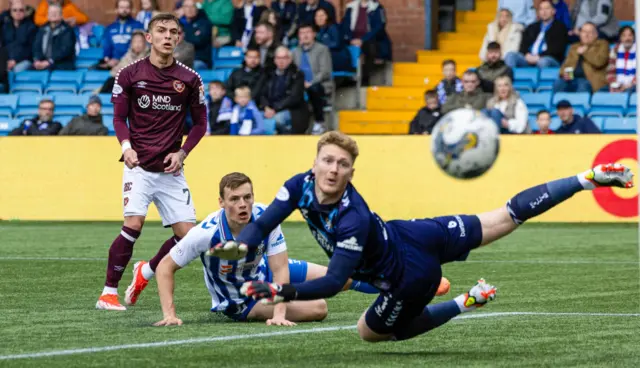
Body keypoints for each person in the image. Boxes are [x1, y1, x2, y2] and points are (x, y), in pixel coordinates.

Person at [223, 131, 632, 343]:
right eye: (327, 160)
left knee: (370, 333)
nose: (332, 169)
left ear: (351, 173)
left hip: (410, 273)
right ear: (314, 161)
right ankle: (587, 178)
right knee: (502, 217)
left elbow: (333, 283)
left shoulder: (353, 218)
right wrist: (244, 243)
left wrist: (279, 291)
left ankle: (463, 301)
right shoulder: (298, 184)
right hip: (410, 232)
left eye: (342, 164)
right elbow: (266, 220)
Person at [153, 172, 382, 326]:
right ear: (221, 202)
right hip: (243, 301)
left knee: (342, 277)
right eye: (234, 199)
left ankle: (404, 290)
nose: (242, 204)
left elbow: (280, 265)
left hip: (266, 272)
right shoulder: (205, 234)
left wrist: (279, 314)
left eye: (247, 197)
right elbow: (165, 267)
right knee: (319, 308)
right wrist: (169, 315)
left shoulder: (266, 216)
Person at [96, 13, 208, 311]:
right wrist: (126, 146)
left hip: (171, 169)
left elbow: (200, 124)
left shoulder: (190, 79)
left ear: (179, 38)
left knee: (189, 239)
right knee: (133, 224)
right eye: (161, 31)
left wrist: (183, 152)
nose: (167, 36)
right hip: (138, 166)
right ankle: (108, 293)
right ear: (149, 37)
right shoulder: (128, 74)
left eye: (173, 31)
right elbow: (119, 118)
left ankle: (145, 271)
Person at [292, 23, 332, 135]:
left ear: (314, 34)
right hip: (301, 85)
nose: (304, 36)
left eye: (307, 32)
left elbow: (325, 72)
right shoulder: (295, 52)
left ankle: (319, 122)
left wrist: (310, 82)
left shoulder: (322, 49)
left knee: (314, 89)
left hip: (320, 84)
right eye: (301, 33)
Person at [504, 0, 568, 69]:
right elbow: (523, 46)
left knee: (543, 61)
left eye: (547, 8)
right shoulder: (531, 27)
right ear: (538, 12)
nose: (544, 12)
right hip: (528, 59)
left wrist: (539, 56)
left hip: (548, 59)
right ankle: (508, 79)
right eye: (541, 9)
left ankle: (540, 80)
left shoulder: (560, 27)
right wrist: (526, 55)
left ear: (553, 11)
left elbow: (557, 49)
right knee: (510, 56)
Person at [554, 22, 608, 93]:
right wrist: (564, 74)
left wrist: (585, 52)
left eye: (590, 32)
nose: (586, 35)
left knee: (582, 85)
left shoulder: (602, 45)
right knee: (558, 84)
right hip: (571, 79)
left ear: (596, 35)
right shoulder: (574, 47)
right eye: (584, 32)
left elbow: (599, 62)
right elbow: (565, 65)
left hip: (588, 80)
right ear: (580, 34)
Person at [98, 0, 144, 71]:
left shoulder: (138, 26)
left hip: (133, 63)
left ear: (131, 9)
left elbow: (142, 48)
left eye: (127, 7)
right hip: (114, 65)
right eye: (121, 7)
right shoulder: (110, 28)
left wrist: (120, 60)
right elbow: (107, 46)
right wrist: (107, 59)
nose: (124, 10)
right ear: (116, 9)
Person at [32, 3, 76, 70]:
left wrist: (49, 61)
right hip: (43, 62)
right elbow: (36, 47)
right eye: (51, 12)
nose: (53, 14)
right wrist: (37, 60)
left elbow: (65, 50)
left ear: (61, 16)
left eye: (56, 12)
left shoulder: (67, 30)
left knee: (49, 68)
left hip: (61, 63)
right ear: (47, 15)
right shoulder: (42, 29)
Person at [3, 0, 37, 73]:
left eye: (21, 10)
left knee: (15, 71)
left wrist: (15, 60)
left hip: (24, 60)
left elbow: (30, 49)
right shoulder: (5, 27)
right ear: (11, 13)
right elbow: (3, 46)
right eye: (14, 10)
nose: (18, 12)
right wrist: (6, 61)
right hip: (7, 61)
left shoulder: (31, 27)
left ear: (25, 12)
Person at [314, 7, 352, 73]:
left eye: (322, 15)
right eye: (317, 16)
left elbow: (337, 44)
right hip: (326, 60)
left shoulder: (333, 27)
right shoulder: (317, 31)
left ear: (327, 17)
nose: (319, 18)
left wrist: (321, 47)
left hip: (339, 58)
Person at [180, 0, 213, 69]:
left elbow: (199, 40)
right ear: (182, 9)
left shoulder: (204, 23)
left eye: (193, 6)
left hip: (199, 60)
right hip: (181, 58)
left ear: (197, 8)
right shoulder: (179, 23)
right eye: (186, 6)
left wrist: (184, 36)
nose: (189, 9)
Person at [607, 26, 636, 93]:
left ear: (633, 37)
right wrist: (614, 85)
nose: (627, 38)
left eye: (630, 35)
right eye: (624, 35)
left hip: (634, 85)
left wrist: (628, 86)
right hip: (618, 84)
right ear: (620, 38)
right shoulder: (615, 50)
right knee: (601, 92)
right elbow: (610, 71)